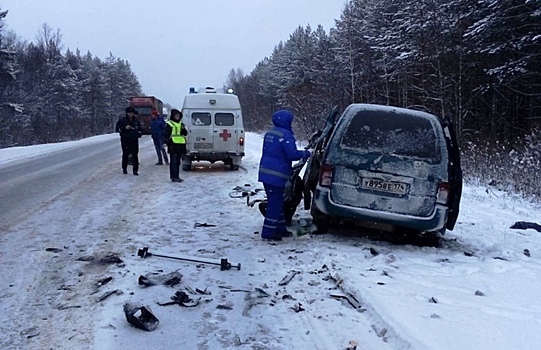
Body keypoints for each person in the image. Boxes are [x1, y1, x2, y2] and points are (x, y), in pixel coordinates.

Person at [258, 110, 311, 241]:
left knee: (277, 202)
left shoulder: (270, 133)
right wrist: (306, 153)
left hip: (266, 172)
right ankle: (268, 232)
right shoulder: (286, 135)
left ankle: (280, 228)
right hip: (277, 174)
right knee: (275, 204)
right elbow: (292, 155)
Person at [164, 109, 188, 182]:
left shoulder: (181, 124)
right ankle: (173, 177)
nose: (177, 117)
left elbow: (185, 133)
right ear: (173, 116)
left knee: (178, 162)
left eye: (178, 115)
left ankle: (176, 176)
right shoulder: (169, 124)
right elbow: (166, 134)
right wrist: (165, 142)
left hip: (180, 145)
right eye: (176, 115)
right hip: (173, 145)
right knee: (173, 162)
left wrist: (183, 129)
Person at [118, 106, 142, 175]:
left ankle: (135, 170)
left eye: (131, 113)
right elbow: (119, 130)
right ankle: (124, 168)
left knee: (135, 155)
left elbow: (140, 130)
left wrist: (138, 133)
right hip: (126, 140)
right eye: (129, 113)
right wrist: (125, 128)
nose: (130, 114)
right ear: (127, 113)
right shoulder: (123, 121)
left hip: (134, 140)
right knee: (125, 154)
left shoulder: (136, 121)